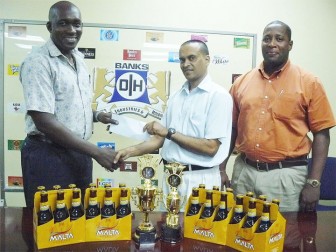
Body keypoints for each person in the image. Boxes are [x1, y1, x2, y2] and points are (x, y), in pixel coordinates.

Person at [221, 20, 335, 212]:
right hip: (244, 172)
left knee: (283, 237)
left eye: (279, 39)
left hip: (286, 176)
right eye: (267, 39)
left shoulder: (309, 82)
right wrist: (222, 167)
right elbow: (232, 128)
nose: (272, 43)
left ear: (290, 45)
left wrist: (314, 182)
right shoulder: (242, 82)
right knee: (241, 235)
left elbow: (322, 135)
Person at [20, 1, 118, 207]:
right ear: (50, 27)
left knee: (78, 219)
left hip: (79, 154)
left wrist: (97, 115)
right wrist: (97, 152)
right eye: (63, 23)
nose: (72, 30)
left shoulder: (78, 59)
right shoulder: (38, 62)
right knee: (52, 227)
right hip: (48, 156)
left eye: (77, 24)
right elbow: (44, 121)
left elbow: (69, 106)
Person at [114, 40, 232, 203]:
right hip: (171, 179)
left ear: (207, 59)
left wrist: (169, 133)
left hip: (200, 181)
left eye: (192, 58)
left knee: (198, 228)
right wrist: (128, 152)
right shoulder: (176, 96)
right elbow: (158, 139)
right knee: (167, 227)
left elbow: (210, 147)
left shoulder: (218, 96)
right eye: (182, 60)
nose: (186, 64)